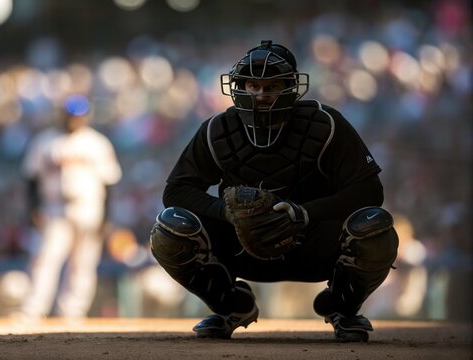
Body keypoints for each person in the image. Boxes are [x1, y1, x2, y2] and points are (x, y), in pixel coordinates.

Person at [150, 40, 399, 342]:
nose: (260, 94)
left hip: (313, 243)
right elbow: (176, 192)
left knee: (375, 226)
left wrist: (306, 213)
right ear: (238, 86)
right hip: (240, 245)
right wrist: (224, 212)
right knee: (170, 227)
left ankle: (343, 307)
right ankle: (230, 305)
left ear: (291, 88)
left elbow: (370, 190)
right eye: (252, 85)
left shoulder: (326, 125)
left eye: (271, 85)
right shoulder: (217, 130)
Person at [18, 94, 122, 321]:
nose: (74, 119)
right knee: (45, 259)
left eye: (79, 115)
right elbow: (31, 179)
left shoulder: (97, 143)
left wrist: (107, 217)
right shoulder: (44, 141)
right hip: (55, 207)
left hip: (89, 207)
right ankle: (34, 309)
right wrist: (32, 208)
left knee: (83, 263)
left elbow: (110, 182)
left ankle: (73, 311)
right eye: (71, 115)